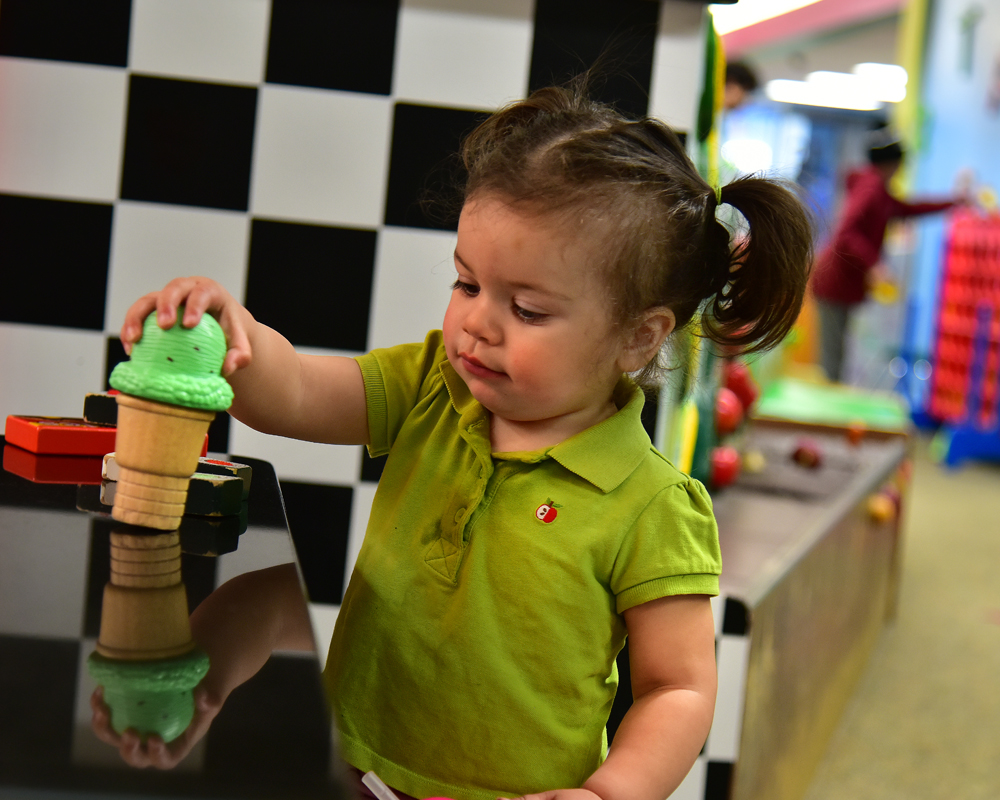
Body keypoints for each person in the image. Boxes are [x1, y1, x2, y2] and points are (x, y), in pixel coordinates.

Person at [115, 81, 813, 800]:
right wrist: (236, 333)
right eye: (466, 284)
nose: (478, 322)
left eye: (528, 309)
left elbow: (678, 689)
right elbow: (293, 392)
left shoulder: (652, 506)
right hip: (353, 764)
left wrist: (609, 794)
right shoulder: (432, 386)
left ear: (639, 336)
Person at [811, 126, 962, 383]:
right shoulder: (870, 188)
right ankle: (821, 417)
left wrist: (954, 203)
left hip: (843, 284)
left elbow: (908, 208)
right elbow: (847, 233)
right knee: (833, 356)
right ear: (893, 163)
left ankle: (829, 402)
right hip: (835, 282)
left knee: (838, 353)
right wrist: (875, 265)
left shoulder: (878, 190)